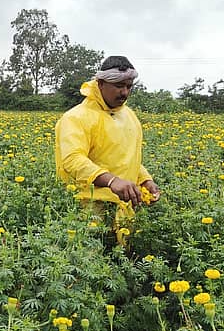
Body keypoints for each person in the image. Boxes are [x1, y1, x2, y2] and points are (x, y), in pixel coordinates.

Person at [54, 55, 160, 235]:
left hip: (124, 206)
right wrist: (112, 181)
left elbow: (127, 157)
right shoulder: (76, 117)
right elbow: (72, 160)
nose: (125, 93)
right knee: (91, 257)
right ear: (100, 83)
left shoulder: (129, 116)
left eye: (128, 86)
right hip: (88, 208)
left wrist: (145, 180)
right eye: (119, 86)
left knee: (123, 259)